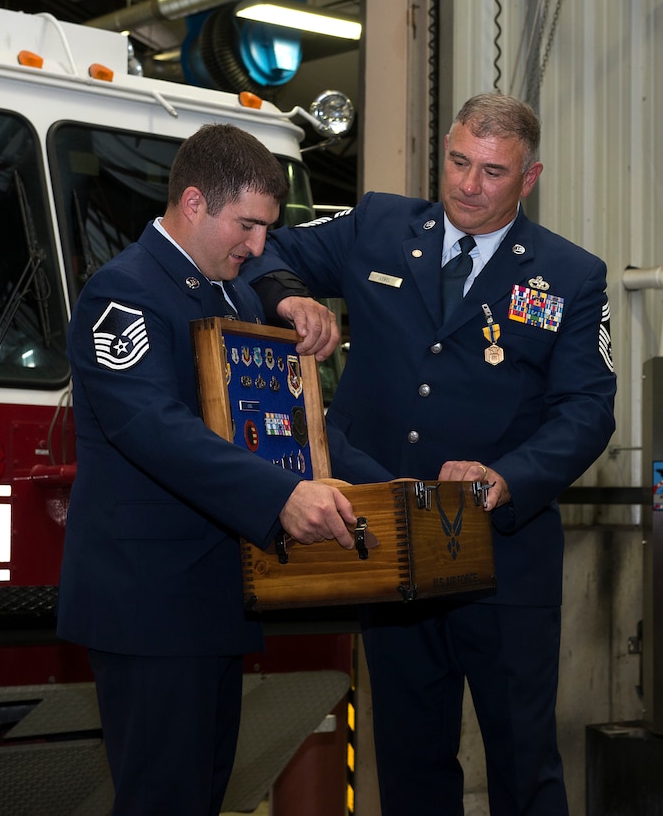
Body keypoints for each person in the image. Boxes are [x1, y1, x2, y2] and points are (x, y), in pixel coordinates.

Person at [243, 93, 617, 815]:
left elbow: (587, 410)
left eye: (491, 172)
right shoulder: (379, 226)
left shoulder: (569, 276)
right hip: (390, 545)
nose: (467, 186)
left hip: (501, 559)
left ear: (528, 179)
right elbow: (273, 248)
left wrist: (508, 477)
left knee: (522, 763)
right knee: (411, 763)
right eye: (456, 161)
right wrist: (290, 300)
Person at [56, 122, 356, 816]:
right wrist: (281, 494)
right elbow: (153, 429)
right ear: (193, 202)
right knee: (162, 798)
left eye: (265, 230)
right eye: (247, 226)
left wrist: (393, 476)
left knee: (201, 794)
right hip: (148, 606)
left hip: (210, 599)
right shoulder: (122, 294)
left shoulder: (233, 296)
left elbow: (285, 422)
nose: (258, 247)